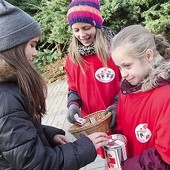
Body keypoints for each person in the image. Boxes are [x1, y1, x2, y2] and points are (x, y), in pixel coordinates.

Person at [0, 1, 109, 169]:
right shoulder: (6, 98)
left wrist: (47, 135)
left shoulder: (9, 91)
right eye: (32, 45)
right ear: (13, 47)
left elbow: (18, 131)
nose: (35, 53)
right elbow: (34, 163)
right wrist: (84, 146)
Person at [65, 0, 121, 157]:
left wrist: (117, 105)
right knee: (109, 158)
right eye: (76, 30)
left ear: (96, 25)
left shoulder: (114, 51)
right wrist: (73, 105)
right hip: (95, 125)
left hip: (120, 116)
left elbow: (128, 83)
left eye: (86, 28)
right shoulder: (72, 58)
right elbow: (73, 87)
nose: (82, 34)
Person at [110, 24, 170, 169]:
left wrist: (126, 167)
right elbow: (124, 122)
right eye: (119, 67)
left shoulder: (166, 96)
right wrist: (118, 136)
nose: (123, 74)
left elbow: (164, 156)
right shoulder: (128, 88)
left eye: (127, 66)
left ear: (148, 56)